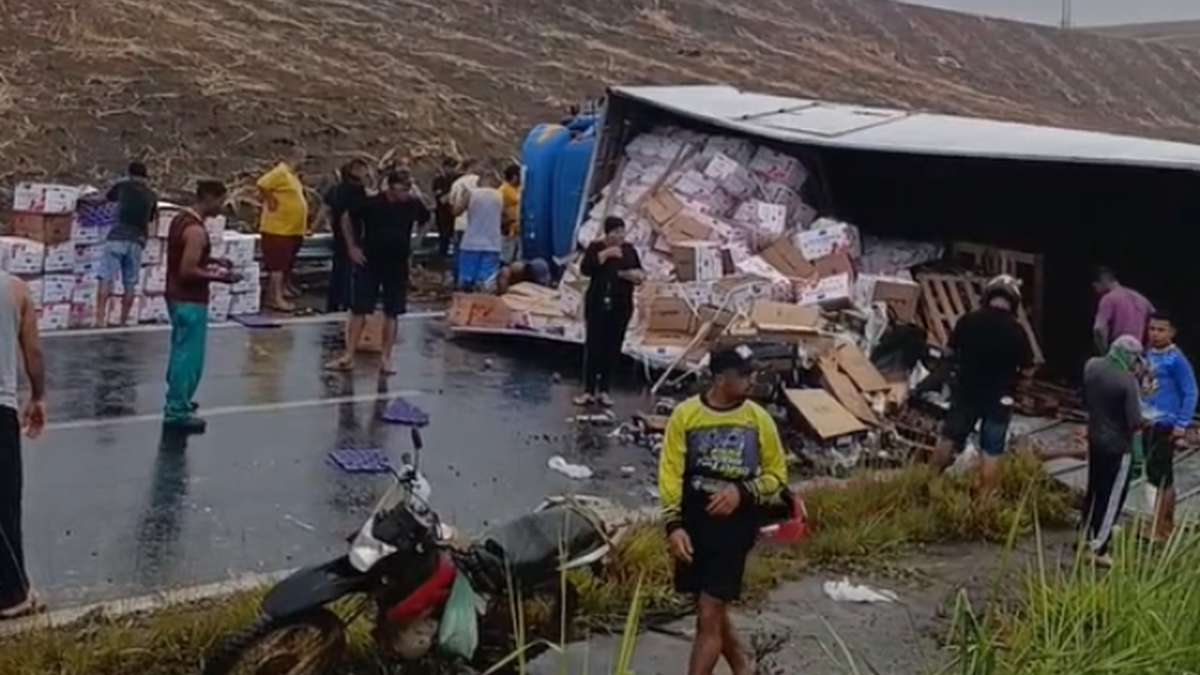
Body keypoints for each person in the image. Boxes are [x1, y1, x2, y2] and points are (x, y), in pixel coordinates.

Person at [658, 344, 787, 675]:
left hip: (735, 525)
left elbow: (776, 476)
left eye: (752, 372)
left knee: (709, 614)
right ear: (719, 378)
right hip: (695, 521)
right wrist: (673, 524)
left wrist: (742, 492)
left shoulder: (759, 420)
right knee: (708, 608)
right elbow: (670, 473)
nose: (751, 380)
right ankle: (743, 668)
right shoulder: (685, 415)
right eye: (743, 374)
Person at [928, 275, 1034, 495]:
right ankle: (985, 498)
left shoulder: (968, 321)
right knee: (992, 449)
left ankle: (930, 484)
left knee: (949, 438)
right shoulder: (1017, 331)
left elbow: (948, 354)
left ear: (988, 296)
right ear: (1014, 302)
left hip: (966, 391)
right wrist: (1019, 389)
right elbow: (1028, 369)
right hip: (999, 397)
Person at [327, 172, 429, 375]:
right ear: (390, 188)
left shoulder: (412, 204)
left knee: (392, 311)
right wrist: (352, 247)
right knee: (359, 309)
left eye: (408, 189)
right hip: (370, 261)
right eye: (402, 189)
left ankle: (386, 358)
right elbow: (346, 217)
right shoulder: (372, 203)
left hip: (397, 262)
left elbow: (427, 218)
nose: (406, 193)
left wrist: (418, 239)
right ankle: (348, 355)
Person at [164, 180, 240, 434]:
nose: (221, 206)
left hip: (175, 296)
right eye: (220, 200)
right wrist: (220, 277)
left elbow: (184, 258)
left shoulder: (180, 221)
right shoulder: (196, 231)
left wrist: (213, 260)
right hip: (190, 300)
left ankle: (179, 399)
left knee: (179, 351)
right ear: (208, 198)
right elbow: (187, 270)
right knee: (189, 358)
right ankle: (177, 411)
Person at [0, 272, 46, 620]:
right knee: (4, 505)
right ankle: (12, 595)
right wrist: (38, 396)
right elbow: (33, 350)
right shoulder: (15, 289)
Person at [1082, 335, 1146, 567]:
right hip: (1118, 446)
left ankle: (1085, 534)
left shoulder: (1092, 365)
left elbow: (1085, 399)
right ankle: (1099, 547)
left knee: (1094, 490)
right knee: (1111, 497)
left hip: (1095, 437)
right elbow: (1135, 421)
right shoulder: (1126, 381)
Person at [1141, 311, 1197, 541]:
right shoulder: (1147, 354)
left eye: (1160, 329)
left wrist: (1181, 424)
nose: (1155, 334)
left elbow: (1191, 391)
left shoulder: (1176, 358)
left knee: (1163, 476)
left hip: (1166, 423)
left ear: (1172, 332)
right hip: (1147, 420)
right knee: (1155, 473)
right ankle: (1165, 524)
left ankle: (1158, 527)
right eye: (1152, 328)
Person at [575, 216, 643, 407]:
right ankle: (588, 390)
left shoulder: (629, 250)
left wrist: (633, 276)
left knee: (612, 347)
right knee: (594, 346)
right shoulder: (596, 248)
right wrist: (604, 256)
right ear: (608, 233)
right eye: (615, 232)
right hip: (597, 302)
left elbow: (640, 273)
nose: (619, 236)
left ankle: (604, 390)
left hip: (621, 304)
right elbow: (585, 269)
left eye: (622, 231)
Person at [97, 161, 157, 327]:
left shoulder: (122, 186)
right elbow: (151, 220)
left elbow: (104, 198)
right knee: (130, 283)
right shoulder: (151, 195)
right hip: (137, 240)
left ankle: (99, 320)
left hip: (117, 236)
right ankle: (123, 321)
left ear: (129, 173)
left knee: (105, 277)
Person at [257, 145, 308, 313]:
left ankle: (284, 288)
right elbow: (262, 184)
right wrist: (270, 200)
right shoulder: (280, 172)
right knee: (277, 265)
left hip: (292, 229)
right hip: (278, 228)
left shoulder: (292, 176)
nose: (304, 161)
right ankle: (274, 297)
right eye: (302, 157)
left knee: (286, 263)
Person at [323, 159, 369, 313]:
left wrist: (313, 228)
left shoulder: (334, 190)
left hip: (338, 233)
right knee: (350, 270)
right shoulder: (357, 191)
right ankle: (347, 301)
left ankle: (333, 302)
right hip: (354, 233)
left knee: (338, 269)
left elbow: (325, 209)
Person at [453, 173, 503, 292]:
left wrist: (460, 198)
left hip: (471, 242)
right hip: (493, 243)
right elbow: (504, 215)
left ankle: (464, 304)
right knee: (486, 281)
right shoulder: (499, 195)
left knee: (465, 279)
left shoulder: (471, 194)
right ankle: (483, 304)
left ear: (479, 182)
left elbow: (456, 211)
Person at [1093, 266, 1153, 353]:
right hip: (1137, 355)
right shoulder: (1140, 298)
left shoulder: (1108, 299)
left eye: (1095, 286)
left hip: (1117, 355)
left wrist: (1105, 353)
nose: (1095, 291)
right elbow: (1157, 323)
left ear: (1103, 281)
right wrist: (1146, 351)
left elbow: (1098, 329)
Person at [448, 160, 481, 261]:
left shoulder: (457, 183)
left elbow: (451, 203)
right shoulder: (479, 181)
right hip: (477, 224)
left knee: (459, 254)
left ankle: (458, 275)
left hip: (460, 224)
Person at [432, 157, 462, 260]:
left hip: (456, 214)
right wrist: (453, 192)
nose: (452, 170)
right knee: (444, 239)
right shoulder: (439, 181)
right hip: (443, 215)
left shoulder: (458, 179)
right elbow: (442, 200)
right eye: (450, 167)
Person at [499, 163, 522, 265]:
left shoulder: (516, 189)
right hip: (508, 228)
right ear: (514, 177)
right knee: (507, 256)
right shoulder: (504, 190)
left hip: (517, 228)